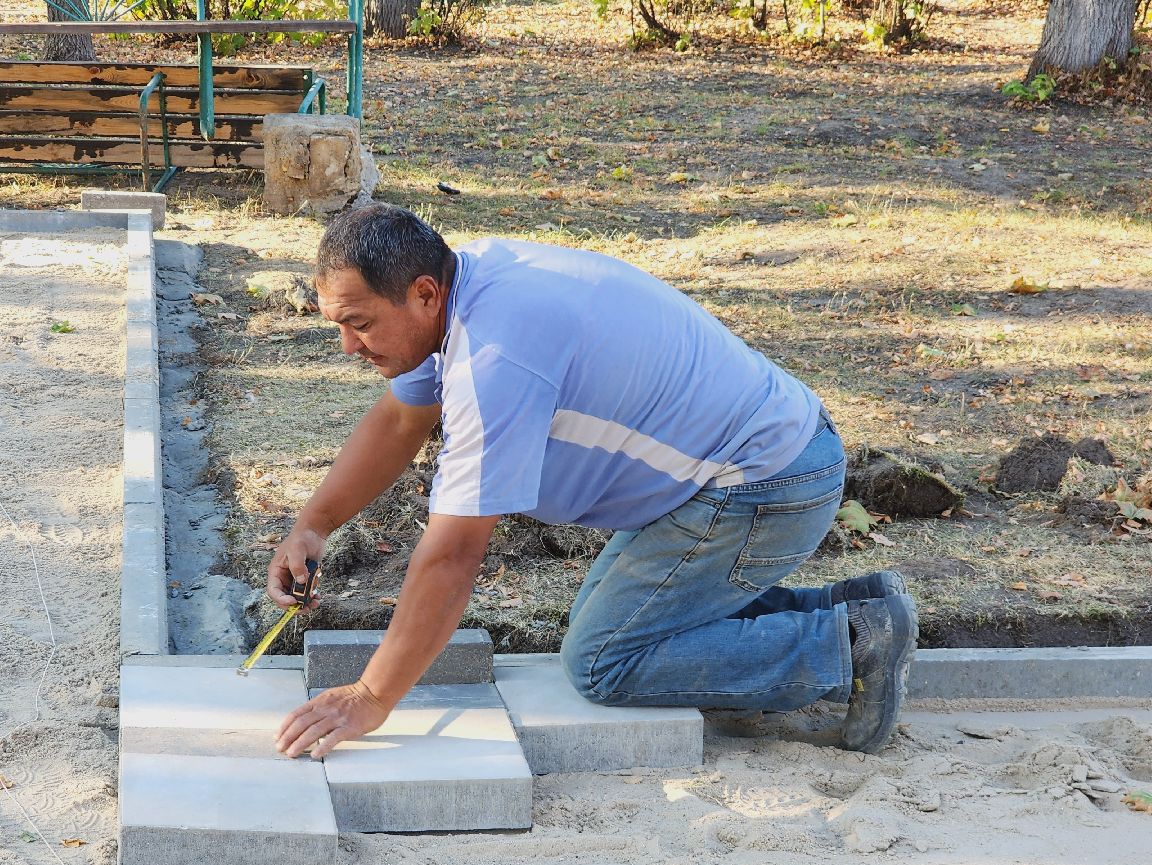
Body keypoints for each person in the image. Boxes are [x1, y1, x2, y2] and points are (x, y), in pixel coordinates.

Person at [268, 203, 917, 762]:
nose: (348, 348)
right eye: (338, 326)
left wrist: (372, 697)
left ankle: (846, 647)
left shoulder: (496, 359)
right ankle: (857, 608)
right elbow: (400, 420)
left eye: (358, 323)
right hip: (748, 464)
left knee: (605, 660)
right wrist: (313, 525)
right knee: (611, 628)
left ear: (423, 294)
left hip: (764, 484)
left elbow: (454, 555)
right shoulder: (467, 285)